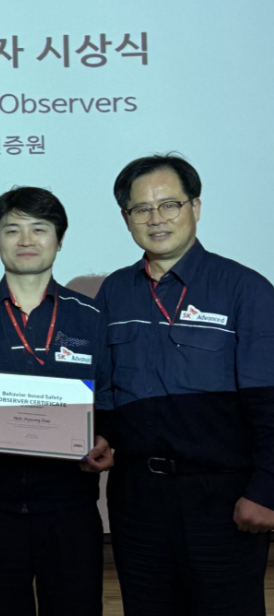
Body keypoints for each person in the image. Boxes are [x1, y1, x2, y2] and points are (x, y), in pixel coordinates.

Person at [96, 154, 274, 616]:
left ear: (195, 206)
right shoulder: (115, 291)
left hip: (221, 498)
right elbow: (108, 390)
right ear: (126, 218)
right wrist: (99, 435)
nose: (156, 219)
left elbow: (269, 403)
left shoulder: (245, 288)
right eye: (141, 209)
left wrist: (265, 490)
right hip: (136, 500)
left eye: (169, 204)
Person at [0, 186, 113, 616]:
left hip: (70, 507)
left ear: (59, 239)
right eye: (12, 229)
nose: (26, 240)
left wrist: (106, 437)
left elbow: (110, 392)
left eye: (40, 228)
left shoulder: (91, 317)